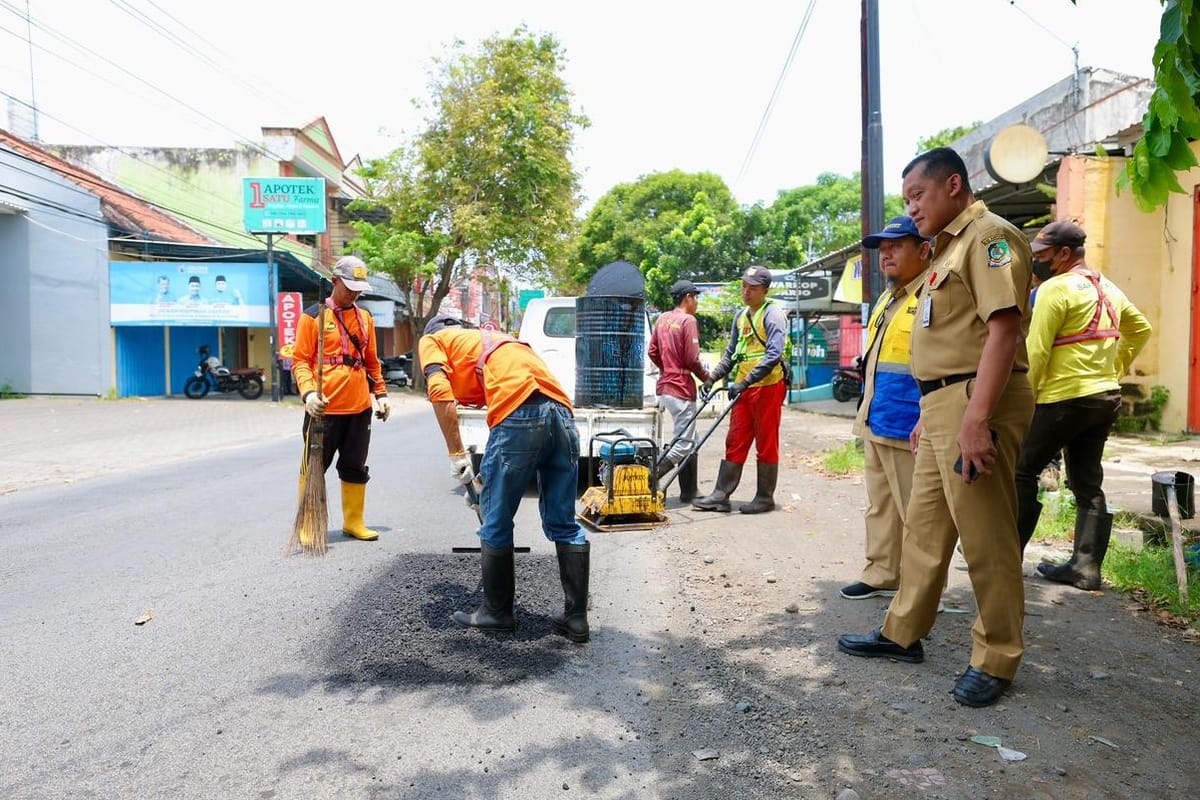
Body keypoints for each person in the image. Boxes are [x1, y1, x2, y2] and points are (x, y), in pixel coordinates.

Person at [837, 147, 1034, 708]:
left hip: (979, 402)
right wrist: (933, 411)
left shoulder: (990, 238)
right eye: (906, 200)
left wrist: (974, 420)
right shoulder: (948, 248)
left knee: (985, 536)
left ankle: (997, 655)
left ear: (953, 185)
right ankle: (903, 633)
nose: (912, 209)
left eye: (917, 197)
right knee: (923, 527)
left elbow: (1003, 332)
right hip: (944, 405)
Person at [419, 314, 591, 642]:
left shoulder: (434, 340)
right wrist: (484, 482)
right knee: (564, 522)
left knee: (496, 522)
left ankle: (497, 613)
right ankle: (576, 620)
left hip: (520, 411)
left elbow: (439, 389)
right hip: (563, 416)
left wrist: (457, 454)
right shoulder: (495, 340)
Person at [1015, 221, 1152, 588]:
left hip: (1062, 397)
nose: (1035, 263)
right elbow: (1141, 328)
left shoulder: (1054, 289)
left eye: (1041, 256)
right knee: (1087, 483)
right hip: (1103, 397)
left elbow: (1037, 350)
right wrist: (1115, 367)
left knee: (1022, 470)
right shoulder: (1106, 286)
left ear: (1063, 254)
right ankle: (1086, 567)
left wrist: (1025, 400)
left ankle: (1005, 555)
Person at [840, 216, 931, 601]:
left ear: (924, 249)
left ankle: (920, 589)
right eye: (882, 248)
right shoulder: (887, 298)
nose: (886, 253)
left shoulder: (932, 293)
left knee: (917, 514)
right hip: (878, 416)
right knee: (881, 506)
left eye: (897, 245)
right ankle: (882, 573)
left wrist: (929, 416)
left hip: (910, 420)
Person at [290, 255, 391, 542]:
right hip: (324, 408)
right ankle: (309, 524)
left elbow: (372, 362)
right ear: (334, 282)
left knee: (355, 466)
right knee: (314, 468)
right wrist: (308, 393)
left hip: (359, 408)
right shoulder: (312, 317)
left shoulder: (366, 319)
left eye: (359, 288)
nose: (354, 293)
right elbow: (300, 361)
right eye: (349, 287)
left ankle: (354, 522)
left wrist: (380, 394)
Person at [692, 265, 787, 515]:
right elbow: (731, 353)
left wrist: (747, 381)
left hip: (767, 387)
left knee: (766, 442)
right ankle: (721, 495)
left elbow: (774, 354)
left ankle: (765, 497)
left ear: (765, 290)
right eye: (744, 286)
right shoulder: (741, 316)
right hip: (743, 388)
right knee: (736, 438)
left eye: (753, 288)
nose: (746, 291)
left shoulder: (773, 314)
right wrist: (713, 377)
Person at [647, 279, 710, 503]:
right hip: (682, 389)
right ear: (688, 298)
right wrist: (706, 378)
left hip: (665, 387)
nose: (697, 302)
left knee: (692, 438)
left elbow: (652, 351)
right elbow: (692, 358)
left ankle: (689, 491)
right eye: (696, 297)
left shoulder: (662, 319)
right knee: (684, 443)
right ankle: (649, 477)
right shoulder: (687, 320)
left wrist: (667, 369)